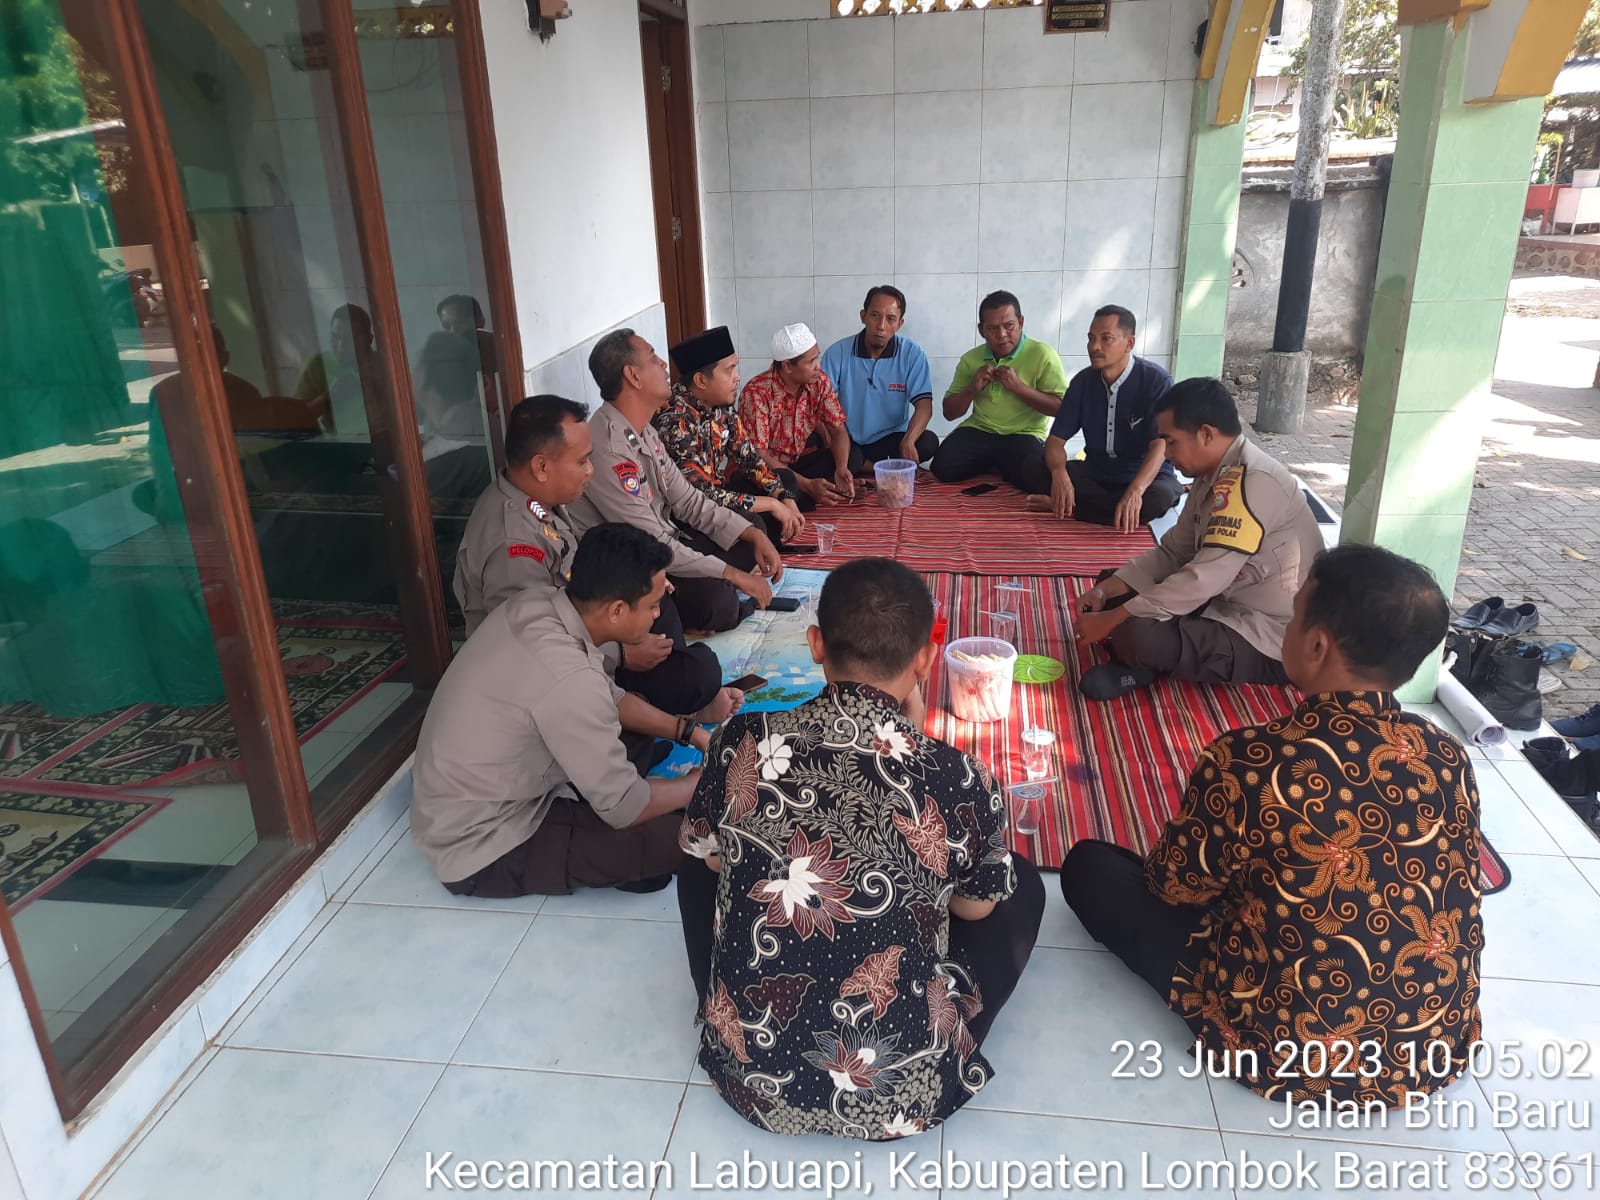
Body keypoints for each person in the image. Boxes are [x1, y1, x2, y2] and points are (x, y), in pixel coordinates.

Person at [1061, 544, 1484, 1106]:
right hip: (1429, 1045)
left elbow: (1173, 888)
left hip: (1281, 1047)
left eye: (1294, 612)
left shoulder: (1252, 760)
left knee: (1091, 867)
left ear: (1316, 643)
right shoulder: (1447, 754)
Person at [678, 557, 1046, 1140]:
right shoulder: (958, 777)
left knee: (699, 852)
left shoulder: (739, 739)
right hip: (898, 1091)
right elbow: (974, 910)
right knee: (1016, 883)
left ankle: (726, 1009)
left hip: (751, 1077)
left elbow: (716, 858)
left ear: (816, 644)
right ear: (926, 659)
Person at [412, 523, 741, 898]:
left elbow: (611, 698)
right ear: (617, 610)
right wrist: (698, 783)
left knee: (640, 720)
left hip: (484, 783)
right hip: (484, 839)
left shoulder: (537, 604)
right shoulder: (569, 678)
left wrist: (690, 731)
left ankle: (608, 819)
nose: (657, 615)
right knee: (685, 841)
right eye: (653, 606)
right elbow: (626, 808)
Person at [453, 394, 721, 716]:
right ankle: (663, 707)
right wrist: (620, 654)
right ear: (541, 466)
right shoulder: (512, 545)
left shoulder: (537, 500)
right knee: (697, 675)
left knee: (659, 601)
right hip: (550, 677)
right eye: (582, 461)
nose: (591, 471)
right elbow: (532, 649)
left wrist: (638, 580)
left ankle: (665, 694)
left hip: (585, 622)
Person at [1072, 377, 1325, 701]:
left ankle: (1143, 660)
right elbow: (1175, 552)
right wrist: (1106, 590)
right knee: (1114, 585)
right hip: (1219, 603)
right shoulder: (1214, 473)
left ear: (1206, 434)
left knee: (1134, 632)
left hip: (1268, 633)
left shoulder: (1252, 482)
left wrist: (1112, 620)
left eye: (1171, 442)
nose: (1165, 454)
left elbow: (1202, 580)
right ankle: (1146, 659)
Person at [569, 328, 783, 633]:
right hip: (634, 568)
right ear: (633, 376)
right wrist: (733, 575)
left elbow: (689, 501)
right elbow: (652, 543)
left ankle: (719, 596)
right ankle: (709, 606)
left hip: (668, 541)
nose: (664, 365)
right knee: (715, 603)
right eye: (654, 358)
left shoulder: (643, 430)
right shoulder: (609, 450)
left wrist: (752, 535)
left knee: (752, 529)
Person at [1020, 305, 1184, 530]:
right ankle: (1102, 507)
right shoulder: (1083, 382)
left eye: (1106, 339)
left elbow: (1160, 446)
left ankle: (1076, 509)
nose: (1094, 347)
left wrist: (1135, 491)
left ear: (1129, 343)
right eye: (1091, 338)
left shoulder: (1155, 381)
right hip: (1097, 473)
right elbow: (1056, 441)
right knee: (1032, 467)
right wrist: (1059, 474)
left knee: (1158, 498)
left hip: (1145, 477)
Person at [655, 326, 805, 546]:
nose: (737, 377)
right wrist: (772, 505)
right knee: (751, 525)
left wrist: (783, 497)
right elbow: (702, 498)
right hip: (690, 517)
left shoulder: (720, 404)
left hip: (719, 493)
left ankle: (768, 543)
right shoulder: (675, 421)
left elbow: (750, 460)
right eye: (729, 370)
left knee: (786, 480)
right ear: (701, 380)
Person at [929, 290, 1068, 490]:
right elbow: (949, 413)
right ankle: (1002, 464)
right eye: (992, 328)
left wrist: (1019, 388)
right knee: (943, 468)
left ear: (1020, 322)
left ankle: (1001, 463)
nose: (1002, 335)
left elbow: (1061, 409)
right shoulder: (971, 359)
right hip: (981, 429)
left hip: (1025, 433)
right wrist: (972, 388)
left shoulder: (1043, 355)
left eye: (1009, 326)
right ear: (981, 330)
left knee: (1037, 478)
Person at [739, 323, 859, 507]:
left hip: (799, 461)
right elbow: (759, 455)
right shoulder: (756, 393)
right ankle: (804, 493)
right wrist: (807, 484)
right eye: (811, 361)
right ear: (787, 366)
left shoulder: (819, 381)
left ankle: (810, 491)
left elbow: (838, 430)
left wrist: (841, 468)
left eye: (817, 357)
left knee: (853, 456)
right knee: (776, 484)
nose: (818, 366)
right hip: (767, 468)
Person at [820, 284, 939, 468]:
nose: (881, 326)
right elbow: (819, 403)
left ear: (900, 324)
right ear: (863, 316)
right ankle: (880, 467)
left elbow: (924, 406)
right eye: (875, 316)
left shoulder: (912, 353)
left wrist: (908, 440)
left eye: (891, 319)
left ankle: (866, 467)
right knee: (832, 451)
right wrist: (831, 434)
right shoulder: (838, 353)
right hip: (849, 438)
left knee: (928, 442)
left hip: (890, 438)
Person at [295, 304, 373, 435]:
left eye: (350, 339)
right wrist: (330, 397)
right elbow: (296, 421)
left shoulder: (386, 368)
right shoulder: (318, 366)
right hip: (338, 448)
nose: (341, 346)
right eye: (335, 337)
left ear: (369, 340)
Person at [437, 293, 498, 378]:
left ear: (480, 321)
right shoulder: (441, 358)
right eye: (446, 326)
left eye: (460, 323)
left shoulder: (498, 348)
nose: (453, 331)